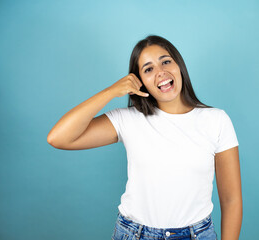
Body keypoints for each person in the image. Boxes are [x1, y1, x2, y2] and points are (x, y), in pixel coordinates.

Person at [47, 35, 242, 240]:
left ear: (179, 66)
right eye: (148, 69)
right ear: (138, 81)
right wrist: (111, 91)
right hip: (134, 234)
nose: (161, 72)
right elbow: (59, 137)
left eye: (166, 61)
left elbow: (231, 199)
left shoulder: (216, 120)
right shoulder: (127, 120)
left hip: (197, 235)